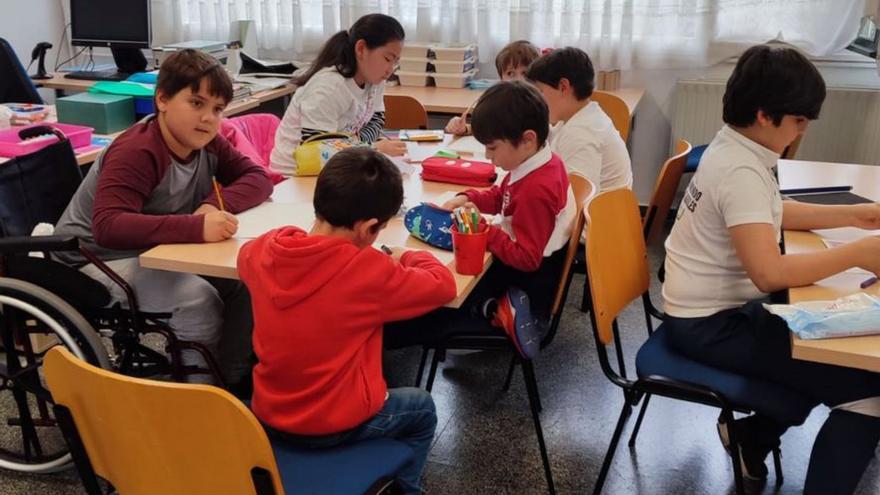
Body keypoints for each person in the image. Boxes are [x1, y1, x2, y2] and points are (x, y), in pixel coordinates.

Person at [662, 44, 880, 494]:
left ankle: (751, 437)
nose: (802, 132)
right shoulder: (740, 169)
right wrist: (858, 252)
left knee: (832, 363)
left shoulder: (735, 147)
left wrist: (856, 215)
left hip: (707, 313)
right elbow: (768, 273)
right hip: (710, 326)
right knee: (870, 393)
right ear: (765, 115)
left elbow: (770, 212)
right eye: (799, 120)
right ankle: (756, 439)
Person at [239, 147, 456, 494]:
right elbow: (442, 285)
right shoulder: (369, 271)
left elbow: (244, 257)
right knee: (421, 408)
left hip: (268, 414)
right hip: (333, 425)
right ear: (369, 228)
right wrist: (407, 254)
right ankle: (406, 490)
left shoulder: (265, 249)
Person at [54, 49, 273, 388]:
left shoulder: (207, 142)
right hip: (90, 258)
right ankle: (196, 400)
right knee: (196, 300)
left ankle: (232, 383)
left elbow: (257, 178)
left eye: (217, 109)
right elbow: (109, 226)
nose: (208, 118)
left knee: (247, 280)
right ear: (162, 100)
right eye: (196, 103)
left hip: (157, 249)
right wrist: (197, 226)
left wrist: (213, 205)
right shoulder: (139, 150)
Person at [387, 81, 575, 360]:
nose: (488, 156)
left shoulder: (538, 189)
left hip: (526, 278)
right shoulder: (537, 161)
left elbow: (527, 258)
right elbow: (504, 195)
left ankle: (496, 309)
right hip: (518, 266)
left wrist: (483, 230)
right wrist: (468, 197)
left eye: (493, 148)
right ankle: (490, 308)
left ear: (527, 139)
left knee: (423, 313)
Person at [270, 13, 407, 176]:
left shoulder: (375, 79)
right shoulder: (329, 87)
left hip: (338, 165)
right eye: (387, 58)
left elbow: (376, 119)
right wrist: (372, 148)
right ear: (361, 49)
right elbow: (317, 152)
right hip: (295, 175)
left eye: (396, 61)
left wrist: (361, 146)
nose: (390, 69)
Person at [527, 47, 632, 196]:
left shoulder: (580, 133)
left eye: (540, 91)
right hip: (603, 211)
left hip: (598, 217)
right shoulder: (582, 115)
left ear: (563, 87)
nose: (537, 100)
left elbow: (577, 205)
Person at [444, 40, 542, 136]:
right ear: (501, 78)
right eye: (510, 73)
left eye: (525, 73)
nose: (518, 80)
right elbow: (489, 129)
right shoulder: (500, 103)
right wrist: (464, 128)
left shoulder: (542, 105)